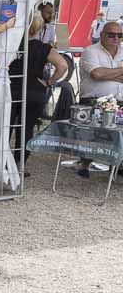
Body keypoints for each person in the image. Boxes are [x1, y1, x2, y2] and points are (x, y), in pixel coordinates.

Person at [9, 14, 68, 172]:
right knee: (26, 129)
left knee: (5, 128)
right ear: (41, 28)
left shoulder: (11, 44)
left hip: (11, 89)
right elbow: (62, 65)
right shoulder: (44, 48)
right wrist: (49, 82)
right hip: (34, 91)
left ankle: (0, 163)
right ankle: (19, 166)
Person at [76, 20, 123, 178]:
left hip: (119, 100)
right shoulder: (90, 51)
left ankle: (117, 165)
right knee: (91, 136)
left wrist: (108, 73)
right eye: (111, 35)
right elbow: (97, 74)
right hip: (93, 100)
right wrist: (120, 71)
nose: (116, 38)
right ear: (102, 35)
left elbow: (103, 74)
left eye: (119, 35)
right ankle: (85, 164)